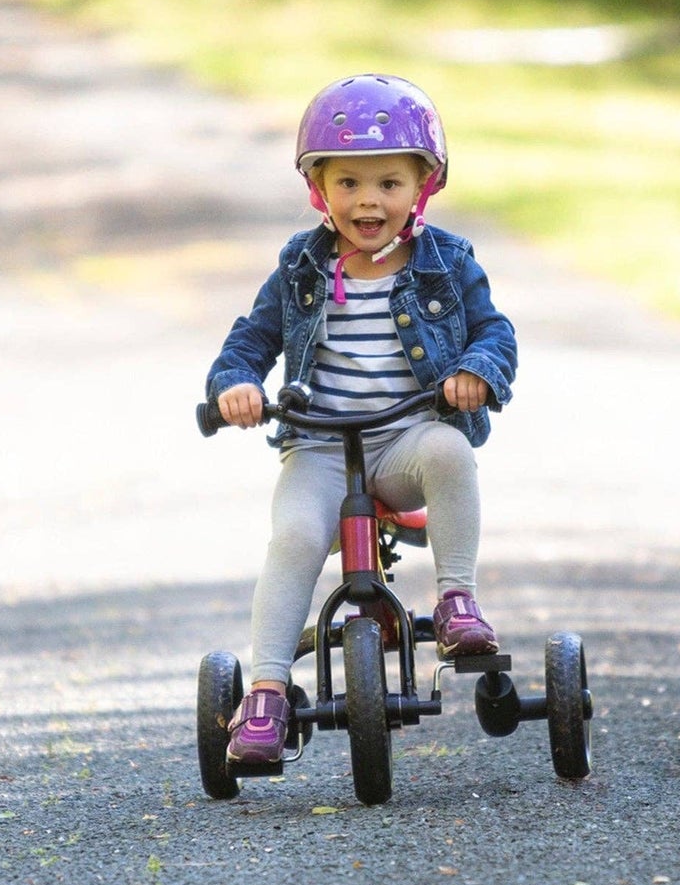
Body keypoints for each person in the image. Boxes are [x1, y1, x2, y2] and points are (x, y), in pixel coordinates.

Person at [205, 73, 517, 766]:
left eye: (387, 183)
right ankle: (265, 693)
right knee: (292, 537)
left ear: (422, 185)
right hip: (318, 446)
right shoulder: (301, 265)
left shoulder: (447, 261)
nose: (367, 200)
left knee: (448, 454)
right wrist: (236, 385)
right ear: (319, 188)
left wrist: (475, 374)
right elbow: (250, 340)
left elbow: (493, 334)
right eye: (347, 183)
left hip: (405, 439)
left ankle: (457, 600)